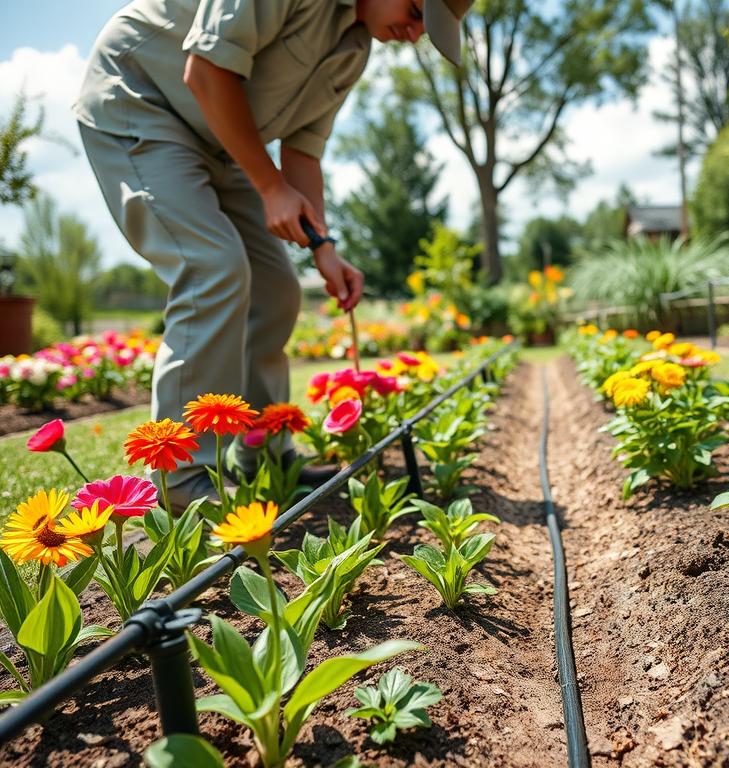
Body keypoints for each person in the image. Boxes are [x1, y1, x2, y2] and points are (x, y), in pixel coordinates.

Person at [74, 0, 474, 512]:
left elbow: (303, 152)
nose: (416, 32)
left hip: (224, 141)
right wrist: (269, 187)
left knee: (278, 290)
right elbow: (206, 72)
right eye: (417, 10)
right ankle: (181, 477)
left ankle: (263, 449)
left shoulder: (353, 49)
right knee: (211, 266)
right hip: (145, 101)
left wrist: (323, 248)